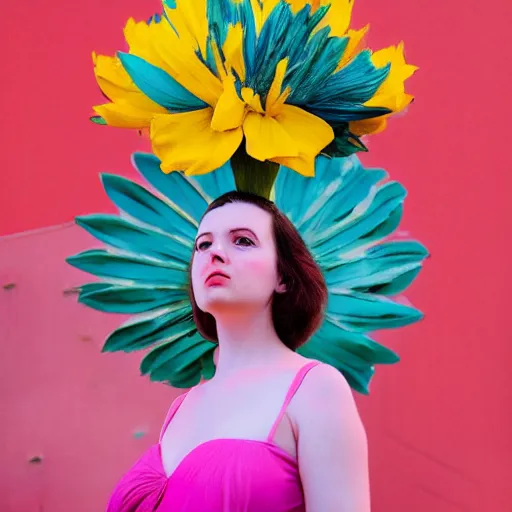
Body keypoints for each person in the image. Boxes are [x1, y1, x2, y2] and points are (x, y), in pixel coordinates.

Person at [106, 192, 371, 511]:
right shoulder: (182, 406)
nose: (214, 253)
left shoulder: (315, 388)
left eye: (242, 241)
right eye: (203, 244)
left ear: (283, 277)